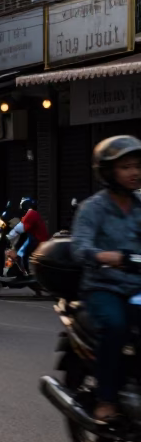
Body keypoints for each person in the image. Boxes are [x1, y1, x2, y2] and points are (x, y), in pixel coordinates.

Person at [72, 136, 141, 423]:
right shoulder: (93, 208)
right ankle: (106, 398)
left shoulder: (140, 206)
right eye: (126, 167)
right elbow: (79, 247)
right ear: (109, 171)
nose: (134, 172)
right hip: (104, 287)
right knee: (115, 326)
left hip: (137, 287)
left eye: (137, 166)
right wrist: (106, 257)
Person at [10, 195, 49, 272]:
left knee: (21, 254)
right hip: (37, 238)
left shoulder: (31, 213)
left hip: (37, 239)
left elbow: (20, 228)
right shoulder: (33, 213)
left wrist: (8, 236)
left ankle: (26, 272)